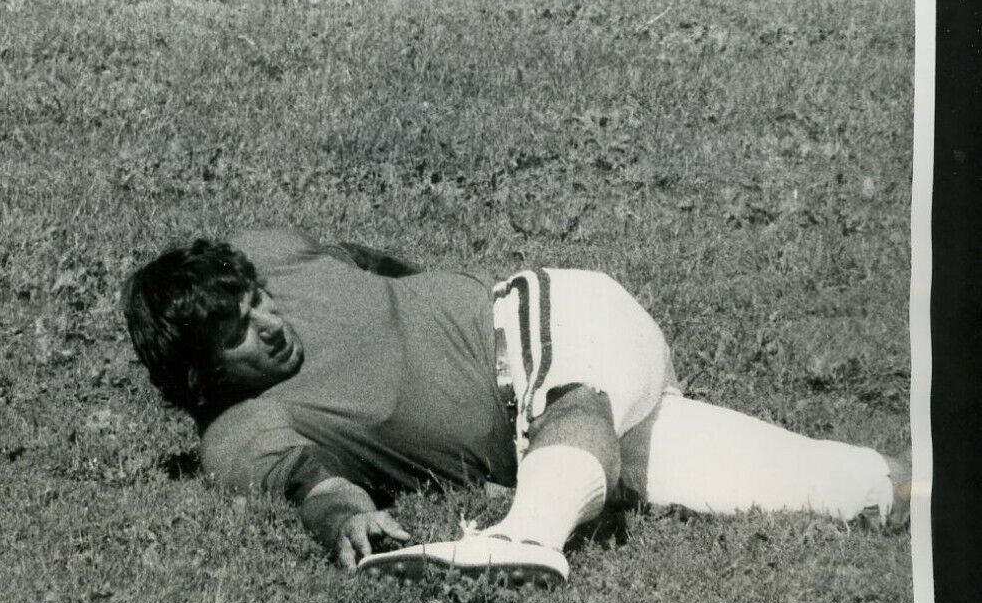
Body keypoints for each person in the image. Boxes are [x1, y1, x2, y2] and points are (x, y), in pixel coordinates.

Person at [121, 229, 913, 583]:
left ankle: (529, 534)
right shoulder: (238, 431)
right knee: (802, 480)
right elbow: (314, 485)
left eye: (256, 300)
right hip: (560, 426)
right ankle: (900, 486)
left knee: (568, 399)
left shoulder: (273, 249)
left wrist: (438, 302)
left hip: (547, 316)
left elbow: (367, 260)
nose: (268, 323)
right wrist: (347, 520)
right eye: (237, 334)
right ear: (198, 375)